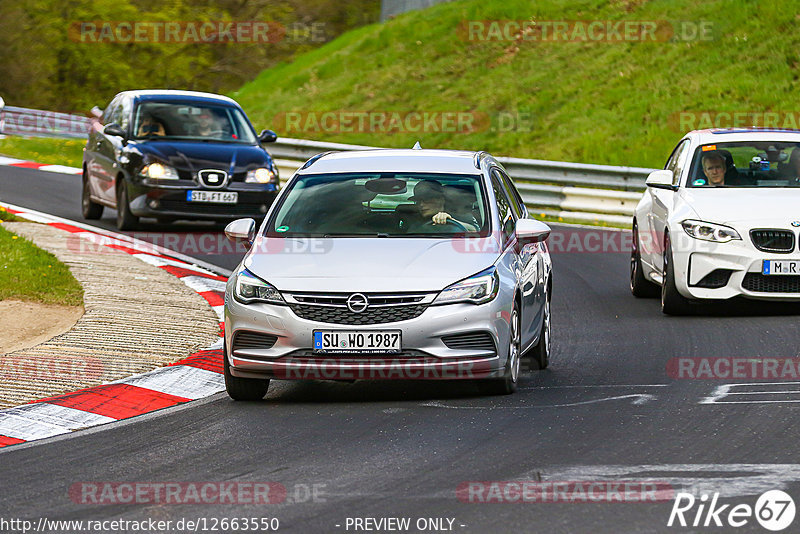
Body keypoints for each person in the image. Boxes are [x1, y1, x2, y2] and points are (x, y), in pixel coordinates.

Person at [403, 180, 478, 232]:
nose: (421, 204)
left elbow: (475, 231)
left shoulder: (461, 214)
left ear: (441, 199)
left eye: (427, 199)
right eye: (418, 201)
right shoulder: (415, 221)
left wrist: (451, 220)